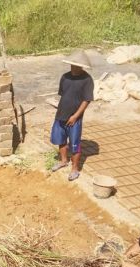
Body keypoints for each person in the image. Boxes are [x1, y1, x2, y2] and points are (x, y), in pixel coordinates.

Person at [50, 50, 95, 182]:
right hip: (61, 115)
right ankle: (63, 161)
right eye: (72, 65)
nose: (74, 67)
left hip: (74, 118)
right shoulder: (65, 77)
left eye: (76, 65)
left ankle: (75, 169)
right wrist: (60, 112)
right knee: (61, 140)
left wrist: (75, 116)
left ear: (81, 66)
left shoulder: (87, 80)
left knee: (75, 144)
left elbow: (86, 100)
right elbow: (63, 95)